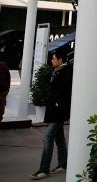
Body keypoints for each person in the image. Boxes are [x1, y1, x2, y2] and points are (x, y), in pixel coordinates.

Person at [31, 50, 73, 180]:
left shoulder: (66, 72)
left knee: (48, 136)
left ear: (61, 60)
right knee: (58, 137)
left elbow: (65, 92)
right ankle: (63, 164)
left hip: (59, 111)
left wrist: (57, 105)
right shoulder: (57, 71)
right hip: (56, 110)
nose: (52, 61)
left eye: (54, 59)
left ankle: (44, 169)